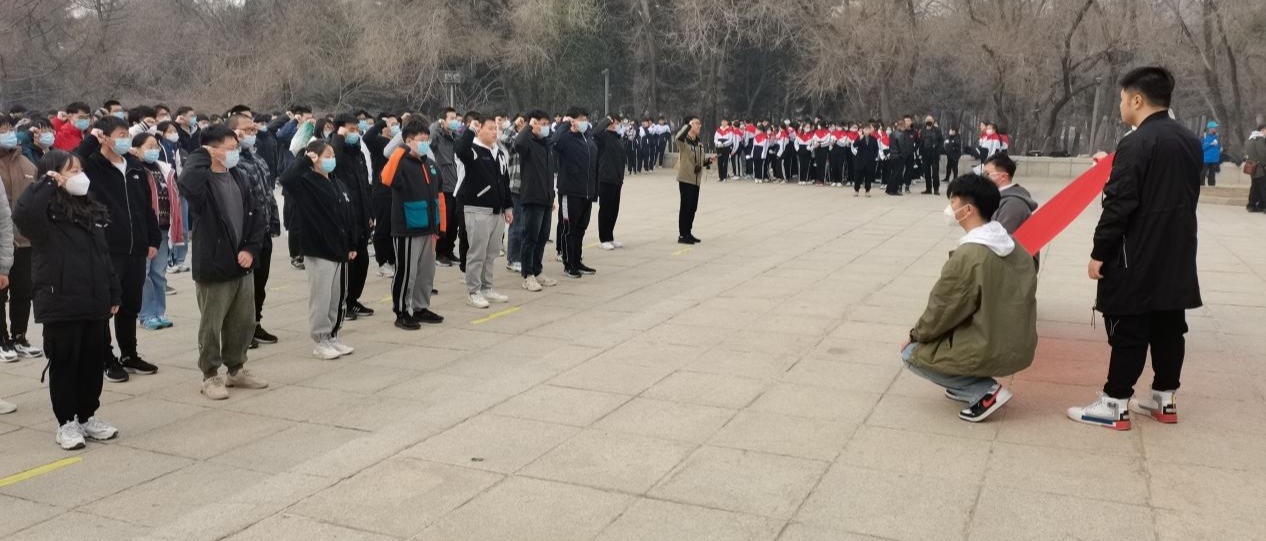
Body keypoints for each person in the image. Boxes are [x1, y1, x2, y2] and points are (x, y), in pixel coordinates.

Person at [1069, 66, 1203, 430]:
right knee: (1169, 327)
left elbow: (1120, 204)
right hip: (1177, 251)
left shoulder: (1137, 141)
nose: (1121, 106)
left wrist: (1100, 252)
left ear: (1137, 99)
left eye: (1122, 99)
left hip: (1137, 253)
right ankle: (1164, 399)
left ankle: (1115, 403)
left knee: (1129, 327)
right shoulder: (1189, 140)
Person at [902, 174, 1037, 423]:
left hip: (989, 345)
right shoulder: (1014, 245)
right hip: (1019, 342)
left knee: (911, 353)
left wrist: (915, 335)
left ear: (968, 210)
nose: (949, 208)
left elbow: (942, 310)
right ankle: (964, 384)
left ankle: (984, 392)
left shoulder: (970, 254)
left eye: (953, 202)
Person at [14, 150, 118, 448]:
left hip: (94, 301)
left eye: (80, 169)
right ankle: (66, 423)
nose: (80, 176)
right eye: (72, 171)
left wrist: (113, 291)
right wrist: (47, 183)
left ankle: (87, 416)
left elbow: (103, 256)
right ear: (54, 175)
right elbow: (23, 213)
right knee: (65, 363)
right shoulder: (44, 214)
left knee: (92, 362)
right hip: (60, 301)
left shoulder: (90, 210)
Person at [177, 125, 269, 399]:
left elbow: (257, 214)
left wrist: (251, 249)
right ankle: (210, 375)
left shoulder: (240, 176)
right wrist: (201, 155)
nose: (234, 153)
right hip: (214, 263)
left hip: (243, 263)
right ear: (212, 150)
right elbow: (186, 183)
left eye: (235, 148)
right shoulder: (202, 181)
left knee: (243, 321)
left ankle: (236, 368)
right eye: (229, 148)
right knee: (212, 324)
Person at [76, 116, 160, 383]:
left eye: (127, 135)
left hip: (136, 248)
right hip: (107, 248)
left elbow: (146, 206)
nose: (125, 140)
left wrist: (152, 239)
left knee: (130, 304)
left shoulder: (134, 166)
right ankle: (106, 357)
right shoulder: (92, 166)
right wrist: (91, 140)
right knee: (105, 306)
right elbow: (73, 160)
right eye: (120, 135)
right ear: (105, 137)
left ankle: (129, 354)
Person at [279, 140, 358, 360]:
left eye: (333, 155)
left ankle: (332, 335)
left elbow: (348, 214)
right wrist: (305, 160)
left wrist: (352, 244)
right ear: (314, 158)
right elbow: (286, 179)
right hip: (318, 248)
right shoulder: (305, 182)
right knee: (321, 297)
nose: (331, 160)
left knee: (335, 297)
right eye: (326, 156)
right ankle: (320, 338)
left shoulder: (336, 182)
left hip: (339, 248)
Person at [378, 120, 446, 330]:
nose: (425, 143)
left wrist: (441, 226)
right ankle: (401, 311)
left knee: (426, 273)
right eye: (420, 139)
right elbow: (386, 178)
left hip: (429, 228)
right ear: (408, 141)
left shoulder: (431, 164)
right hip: (407, 228)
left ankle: (420, 307)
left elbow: (440, 195)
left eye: (427, 139)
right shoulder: (400, 162)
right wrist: (402, 149)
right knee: (407, 272)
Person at [227, 114, 281, 347]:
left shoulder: (257, 158)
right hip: (244, 234)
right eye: (245, 130)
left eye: (252, 129)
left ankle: (255, 323)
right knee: (244, 287)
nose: (251, 133)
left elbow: (268, 193)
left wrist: (274, 221)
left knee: (260, 283)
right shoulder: (231, 160)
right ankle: (241, 330)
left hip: (263, 230)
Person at [453, 114, 514, 308]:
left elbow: (504, 182)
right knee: (477, 253)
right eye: (490, 128)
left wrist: (508, 206)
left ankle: (488, 287)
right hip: (477, 209)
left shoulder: (499, 153)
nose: (494, 132)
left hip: (497, 211)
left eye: (496, 128)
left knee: (491, 253)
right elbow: (459, 149)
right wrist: (470, 130)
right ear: (479, 130)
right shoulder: (472, 150)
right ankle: (474, 291)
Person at [132, 133, 183, 331]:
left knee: (159, 274)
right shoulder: (135, 169)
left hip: (163, 229)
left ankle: (159, 312)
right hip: (145, 230)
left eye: (156, 146)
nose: (154, 150)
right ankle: (146, 315)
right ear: (136, 149)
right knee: (144, 274)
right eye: (149, 146)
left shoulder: (164, 168)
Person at [329, 114, 375, 321]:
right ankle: (342, 303)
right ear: (340, 130)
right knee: (348, 264)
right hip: (345, 216)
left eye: (356, 130)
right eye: (350, 129)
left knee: (362, 262)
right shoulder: (334, 151)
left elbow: (365, 186)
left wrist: (369, 214)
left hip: (361, 216)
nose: (355, 133)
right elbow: (334, 162)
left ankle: (353, 299)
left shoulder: (358, 153)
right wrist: (338, 138)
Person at [0, 115, 37, 360]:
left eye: (9, 129)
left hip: (24, 238)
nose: (8, 134)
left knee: (23, 292)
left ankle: (19, 336)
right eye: (2, 130)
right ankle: (2, 339)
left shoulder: (24, 161)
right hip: (3, 238)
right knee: (1, 292)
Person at [515, 111, 559, 293]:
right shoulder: (528, 144)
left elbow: (549, 174)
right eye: (542, 123)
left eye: (547, 123)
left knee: (542, 237)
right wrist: (528, 127)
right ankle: (527, 274)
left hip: (546, 198)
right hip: (532, 197)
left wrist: (552, 197)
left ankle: (537, 269)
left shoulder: (546, 145)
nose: (546, 127)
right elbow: (518, 143)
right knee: (530, 238)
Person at [553, 108, 598, 279]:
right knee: (569, 229)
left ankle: (577, 260)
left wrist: (594, 191)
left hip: (586, 192)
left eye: (586, 118)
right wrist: (564, 125)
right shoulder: (565, 138)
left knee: (580, 228)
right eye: (580, 119)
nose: (584, 122)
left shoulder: (587, 138)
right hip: (570, 192)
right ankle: (568, 263)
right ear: (572, 120)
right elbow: (554, 141)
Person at [430, 108, 464, 267]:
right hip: (443, 184)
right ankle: (440, 252)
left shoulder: (455, 137)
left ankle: (449, 250)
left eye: (455, 118)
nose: (454, 121)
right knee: (445, 220)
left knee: (454, 221)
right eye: (451, 118)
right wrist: (438, 125)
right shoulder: (438, 136)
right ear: (443, 120)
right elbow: (430, 138)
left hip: (456, 184)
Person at [676, 116, 712, 245]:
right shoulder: (684, 141)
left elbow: (700, 160)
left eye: (699, 124)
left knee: (693, 207)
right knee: (685, 207)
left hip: (696, 179)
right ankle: (682, 235)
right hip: (686, 178)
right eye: (697, 123)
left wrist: (708, 160)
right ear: (690, 125)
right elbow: (677, 137)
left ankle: (688, 233)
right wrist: (688, 126)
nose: (699, 126)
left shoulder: (699, 142)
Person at [981, 153, 1037, 234]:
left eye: (987, 174)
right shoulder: (998, 198)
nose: (983, 178)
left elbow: (1000, 238)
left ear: (1003, 177)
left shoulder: (1014, 204)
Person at [595, 115, 626, 251]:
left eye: (618, 123)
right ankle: (603, 239)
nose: (617, 125)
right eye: (615, 122)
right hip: (606, 179)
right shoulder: (603, 137)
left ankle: (610, 236)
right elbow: (595, 132)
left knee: (614, 210)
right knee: (605, 209)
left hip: (617, 179)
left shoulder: (617, 138)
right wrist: (606, 120)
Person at [852, 122, 879, 197]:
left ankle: (867, 191)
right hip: (860, 160)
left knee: (868, 177)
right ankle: (856, 190)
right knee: (858, 176)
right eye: (865, 129)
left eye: (868, 129)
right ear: (863, 130)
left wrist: (873, 158)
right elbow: (854, 145)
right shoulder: (859, 137)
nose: (867, 131)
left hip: (869, 161)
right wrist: (859, 140)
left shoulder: (874, 139)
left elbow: (876, 149)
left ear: (870, 130)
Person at [919, 116, 945, 195]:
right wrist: (920, 153)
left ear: (933, 121)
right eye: (927, 120)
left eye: (930, 120)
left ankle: (936, 189)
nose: (928, 121)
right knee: (926, 172)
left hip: (934, 154)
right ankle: (928, 188)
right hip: (925, 154)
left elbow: (941, 141)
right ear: (925, 121)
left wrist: (938, 150)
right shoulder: (922, 130)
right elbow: (920, 142)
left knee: (935, 172)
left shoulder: (937, 130)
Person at [1245, 126, 1266, 213]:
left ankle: (1251, 205)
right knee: (1263, 187)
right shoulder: (1260, 140)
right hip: (1259, 168)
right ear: (1262, 130)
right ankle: (1263, 206)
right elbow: (1263, 154)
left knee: (1254, 187)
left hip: (1252, 167)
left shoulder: (1251, 139)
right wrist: (1264, 164)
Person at [1200, 120, 1220, 187]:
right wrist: (1211, 144)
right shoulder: (1204, 137)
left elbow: (1218, 148)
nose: (1215, 129)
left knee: (1212, 175)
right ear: (1210, 128)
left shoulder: (1217, 137)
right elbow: (1202, 147)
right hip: (1206, 159)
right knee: (1202, 173)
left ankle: (1212, 188)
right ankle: (1201, 186)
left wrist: (1219, 147)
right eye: (1214, 127)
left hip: (1214, 160)